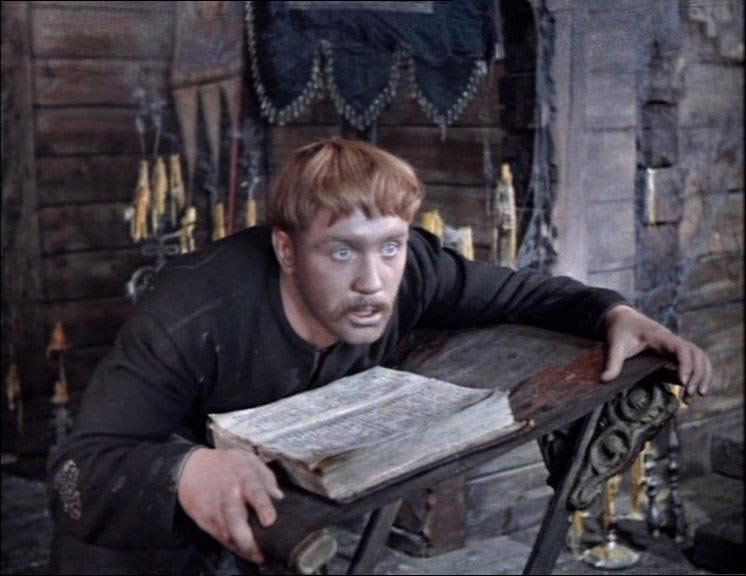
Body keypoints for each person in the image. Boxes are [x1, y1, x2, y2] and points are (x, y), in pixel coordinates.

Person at [47, 137, 714, 574]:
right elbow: (77, 472)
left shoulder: (408, 271)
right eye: (341, 251)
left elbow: (521, 292)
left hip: (280, 539)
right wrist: (186, 472)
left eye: (389, 245)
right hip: (140, 550)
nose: (372, 281)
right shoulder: (190, 312)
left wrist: (614, 313)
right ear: (286, 250)